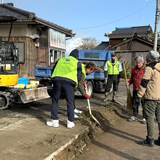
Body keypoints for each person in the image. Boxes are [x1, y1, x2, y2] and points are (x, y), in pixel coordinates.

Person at [46, 49, 96, 129]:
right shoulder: (77, 63)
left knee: (55, 101)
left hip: (57, 80)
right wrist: (75, 84)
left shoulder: (60, 60)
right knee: (70, 102)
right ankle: (70, 122)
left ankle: (55, 121)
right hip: (69, 83)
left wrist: (54, 79)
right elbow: (79, 76)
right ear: (77, 57)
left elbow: (54, 70)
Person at [137, 50, 160, 147]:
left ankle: (150, 139)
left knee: (150, 118)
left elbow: (144, 83)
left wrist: (139, 95)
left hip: (151, 97)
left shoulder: (149, 68)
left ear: (149, 58)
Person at [127, 55, 146, 123]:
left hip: (143, 90)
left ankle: (144, 117)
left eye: (139, 63)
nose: (138, 64)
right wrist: (129, 82)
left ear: (142, 63)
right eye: (137, 62)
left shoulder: (145, 70)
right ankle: (135, 116)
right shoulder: (134, 70)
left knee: (143, 104)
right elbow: (132, 78)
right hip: (135, 89)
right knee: (135, 103)